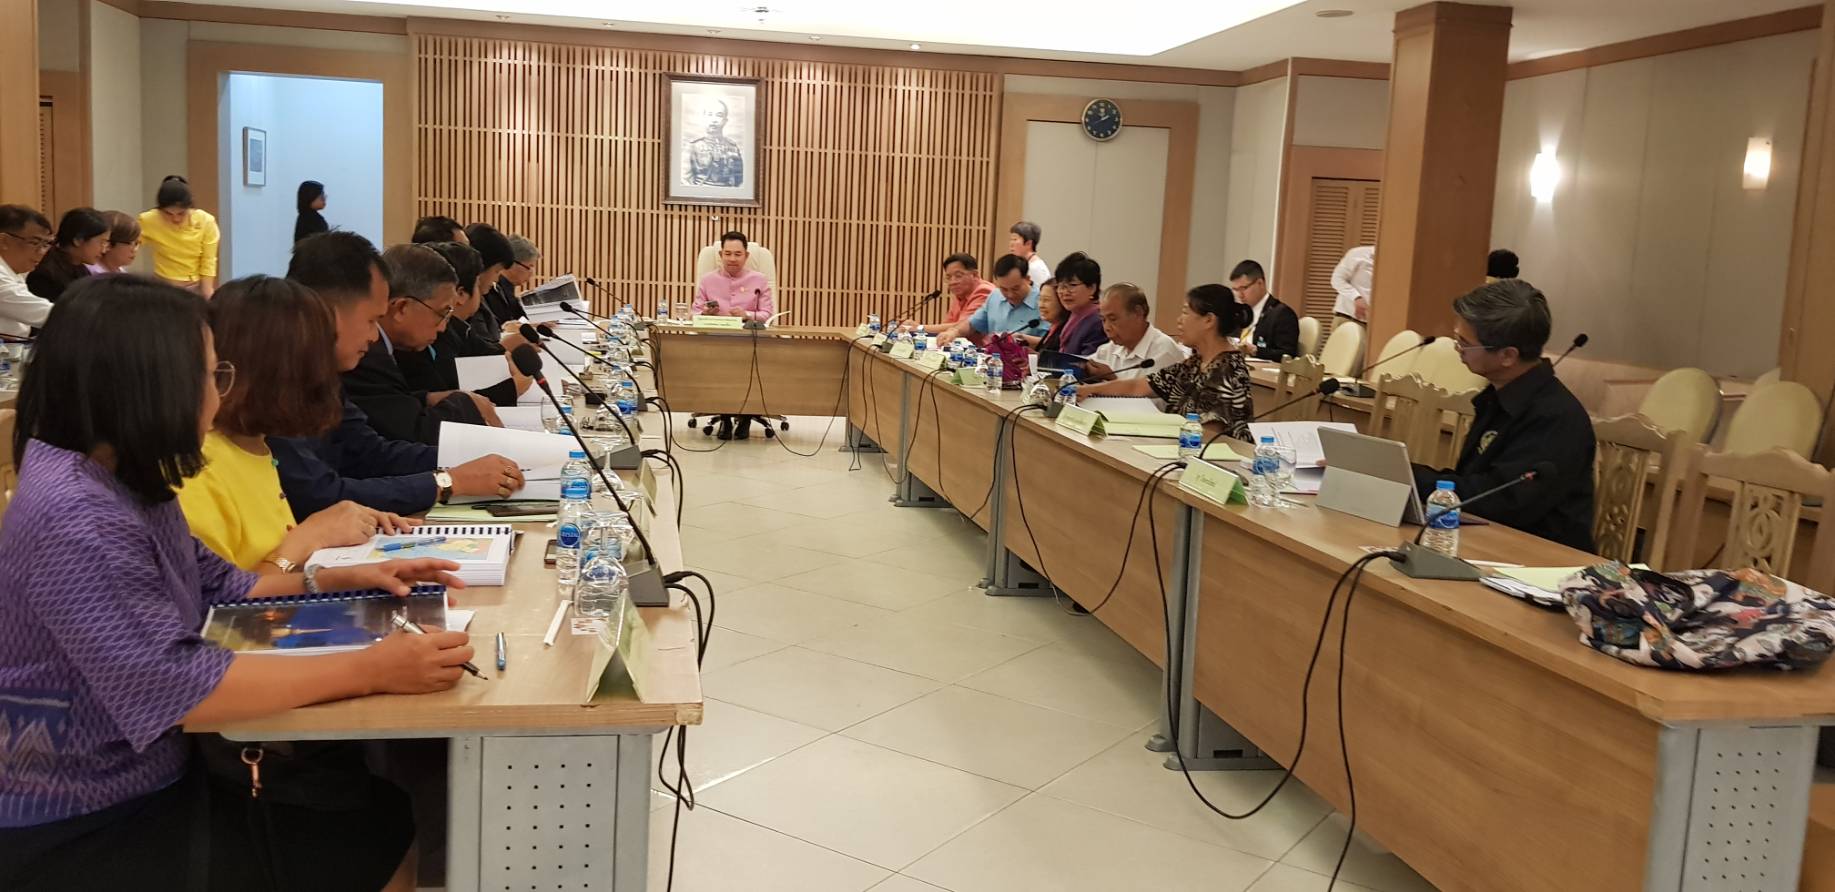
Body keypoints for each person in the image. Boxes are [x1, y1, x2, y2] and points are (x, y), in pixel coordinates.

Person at [0, 274, 473, 892]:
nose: (218, 394)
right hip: (83, 812)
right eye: (210, 375)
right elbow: (180, 690)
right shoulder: (77, 515)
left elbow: (222, 587)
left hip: (149, 774)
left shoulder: (120, 475)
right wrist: (373, 668)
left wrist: (340, 578)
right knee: (369, 836)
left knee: (377, 813)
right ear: (149, 385)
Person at [176, 275, 417, 572]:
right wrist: (312, 535)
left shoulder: (256, 445)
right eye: (316, 359)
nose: (324, 377)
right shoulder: (197, 471)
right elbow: (222, 597)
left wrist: (341, 523)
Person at [275, 231, 522, 518]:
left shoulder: (322, 372)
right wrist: (447, 482)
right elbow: (319, 496)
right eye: (371, 320)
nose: (373, 336)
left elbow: (369, 452)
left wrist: (470, 460)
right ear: (325, 313)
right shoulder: (274, 381)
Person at [1410, 279, 1595, 551]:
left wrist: (1409, 477)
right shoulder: (1497, 396)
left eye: (1465, 343)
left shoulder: (1556, 418)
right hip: (1488, 542)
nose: (1458, 350)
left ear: (1508, 356)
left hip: (1540, 557)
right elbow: (1475, 482)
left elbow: (1499, 501)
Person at [343, 243, 500, 445]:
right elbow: (413, 434)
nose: (443, 328)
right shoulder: (363, 354)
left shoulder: (393, 346)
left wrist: (426, 398)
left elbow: (389, 402)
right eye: (442, 313)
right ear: (401, 308)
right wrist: (464, 402)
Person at [1076, 284, 1253, 441]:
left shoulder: (1228, 368)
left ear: (1209, 320)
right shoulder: (1193, 364)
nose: (1179, 320)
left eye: (1185, 313)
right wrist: (1089, 390)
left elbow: (1209, 433)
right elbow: (1138, 387)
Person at [396, 240, 527, 407]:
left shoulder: (453, 328)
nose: (442, 326)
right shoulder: (417, 342)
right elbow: (437, 398)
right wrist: (511, 388)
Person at [1081, 283, 1188, 382]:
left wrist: (1112, 379)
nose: (1106, 327)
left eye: (1113, 319)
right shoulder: (1109, 349)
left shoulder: (1164, 352)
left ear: (1138, 313)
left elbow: (1153, 396)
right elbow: (1081, 365)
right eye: (1103, 320)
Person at [936, 253, 1046, 345]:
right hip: (993, 360)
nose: (1010, 294)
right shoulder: (995, 296)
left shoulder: (1044, 302)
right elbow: (972, 324)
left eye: (1015, 288)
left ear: (1027, 279)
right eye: (1004, 289)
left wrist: (1023, 339)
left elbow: (1051, 344)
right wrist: (954, 332)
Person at [138, 175, 220, 297]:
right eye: (168, 214)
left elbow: (208, 260)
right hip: (162, 287)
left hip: (193, 287)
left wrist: (207, 292)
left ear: (190, 208)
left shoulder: (206, 221)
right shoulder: (149, 220)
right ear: (160, 209)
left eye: (181, 213)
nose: (175, 219)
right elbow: (130, 243)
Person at [26, 208, 107, 301]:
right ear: (78, 240)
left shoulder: (81, 269)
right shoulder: (46, 273)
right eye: (101, 242)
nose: (103, 250)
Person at [694, 230, 774, 322]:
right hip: (714, 330)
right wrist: (704, 314)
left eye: (737, 254)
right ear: (721, 255)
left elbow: (767, 314)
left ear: (746, 256)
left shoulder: (760, 280)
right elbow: (694, 313)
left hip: (747, 330)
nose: (732, 259)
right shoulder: (707, 280)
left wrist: (747, 315)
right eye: (728, 254)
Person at [0, 205, 54, 338]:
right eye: (34, 242)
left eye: (46, 244)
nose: (42, 252)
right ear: (4, 241)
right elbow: (45, 314)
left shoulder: (19, 270)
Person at [906, 253, 991, 336]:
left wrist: (919, 328)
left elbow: (964, 326)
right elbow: (948, 324)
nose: (952, 282)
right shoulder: (961, 294)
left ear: (975, 275)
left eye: (958, 276)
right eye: (948, 277)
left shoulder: (984, 291)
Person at [1230, 259, 1299, 361]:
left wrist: (1255, 350)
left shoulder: (1282, 314)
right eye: (1236, 290)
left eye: (1243, 288)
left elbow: (1287, 355)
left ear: (1260, 283)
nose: (1240, 295)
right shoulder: (1240, 312)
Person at [1045, 252, 1109, 359]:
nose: (1064, 292)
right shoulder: (1073, 314)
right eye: (1061, 286)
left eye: (1072, 285)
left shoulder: (1097, 320)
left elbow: (1086, 363)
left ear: (1092, 288)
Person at [482, 233, 539, 328]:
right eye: (529, 267)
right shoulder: (490, 288)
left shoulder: (508, 288)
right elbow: (503, 324)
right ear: (511, 262)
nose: (532, 273)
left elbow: (518, 319)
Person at [687, 101, 744, 187]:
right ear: (703, 119)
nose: (713, 120)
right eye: (710, 114)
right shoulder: (693, 146)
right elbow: (684, 180)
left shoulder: (733, 148)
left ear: (725, 121)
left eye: (719, 115)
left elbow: (740, 180)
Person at [1331, 244, 1374, 323]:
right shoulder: (1359, 253)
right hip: (1349, 317)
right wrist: (1356, 298)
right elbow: (1337, 279)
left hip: (1378, 322)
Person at [88, 210, 141, 274]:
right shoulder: (88, 273)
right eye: (129, 243)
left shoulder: (123, 274)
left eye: (136, 243)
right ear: (108, 244)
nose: (135, 250)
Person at [1018, 279, 1061, 351]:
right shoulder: (1053, 329)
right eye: (1040, 299)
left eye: (1046, 300)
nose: (1041, 305)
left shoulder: (1065, 333)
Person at [1007, 220, 1051, 287]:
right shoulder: (1024, 264)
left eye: (1015, 239)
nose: (1011, 244)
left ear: (1029, 243)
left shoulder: (1035, 268)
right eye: (1011, 239)